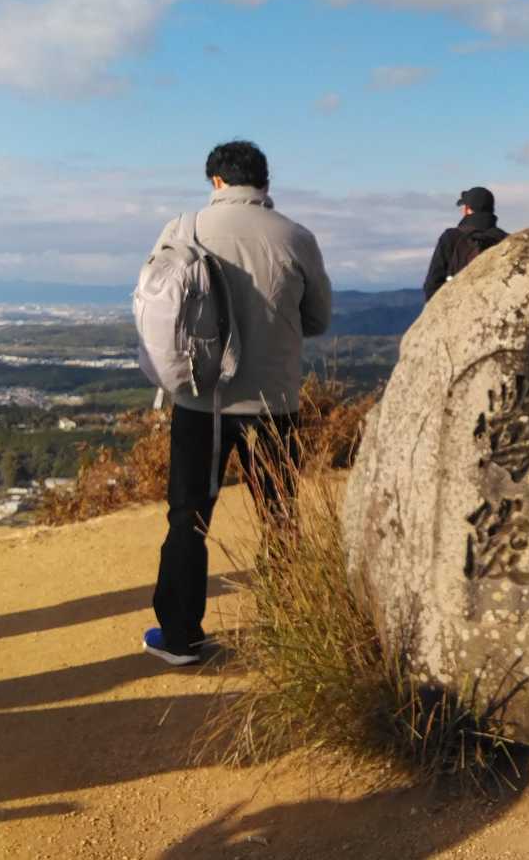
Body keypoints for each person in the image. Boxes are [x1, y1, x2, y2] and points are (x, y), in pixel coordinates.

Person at [143, 139, 331, 666]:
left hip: (200, 400)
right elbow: (318, 319)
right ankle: (288, 624)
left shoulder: (183, 228)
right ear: (264, 182)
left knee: (188, 517)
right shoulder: (296, 236)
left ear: (217, 181)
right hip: (274, 402)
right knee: (279, 514)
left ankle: (181, 637)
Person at [423, 186, 508, 301]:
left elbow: (432, 285)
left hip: (457, 306)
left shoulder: (451, 237)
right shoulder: (505, 239)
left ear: (467, 209)